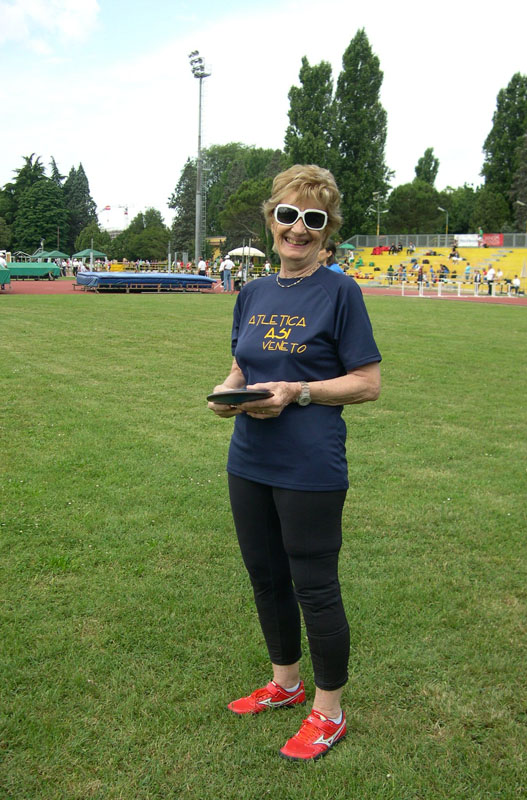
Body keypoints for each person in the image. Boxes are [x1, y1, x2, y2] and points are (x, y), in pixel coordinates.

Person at [207, 164, 381, 762]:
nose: (298, 229)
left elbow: (367, 383)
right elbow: (242, 364)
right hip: (249, 458)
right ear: (272, 220)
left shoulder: (340, 291)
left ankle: (329, 712)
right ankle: (285, 683)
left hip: (309, 465)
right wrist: (227, 393)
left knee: (315, 585)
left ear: (326, 230)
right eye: (288, 215)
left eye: (313, 218)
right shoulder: (252, 292)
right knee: (265, 576)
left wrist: (298, 392)